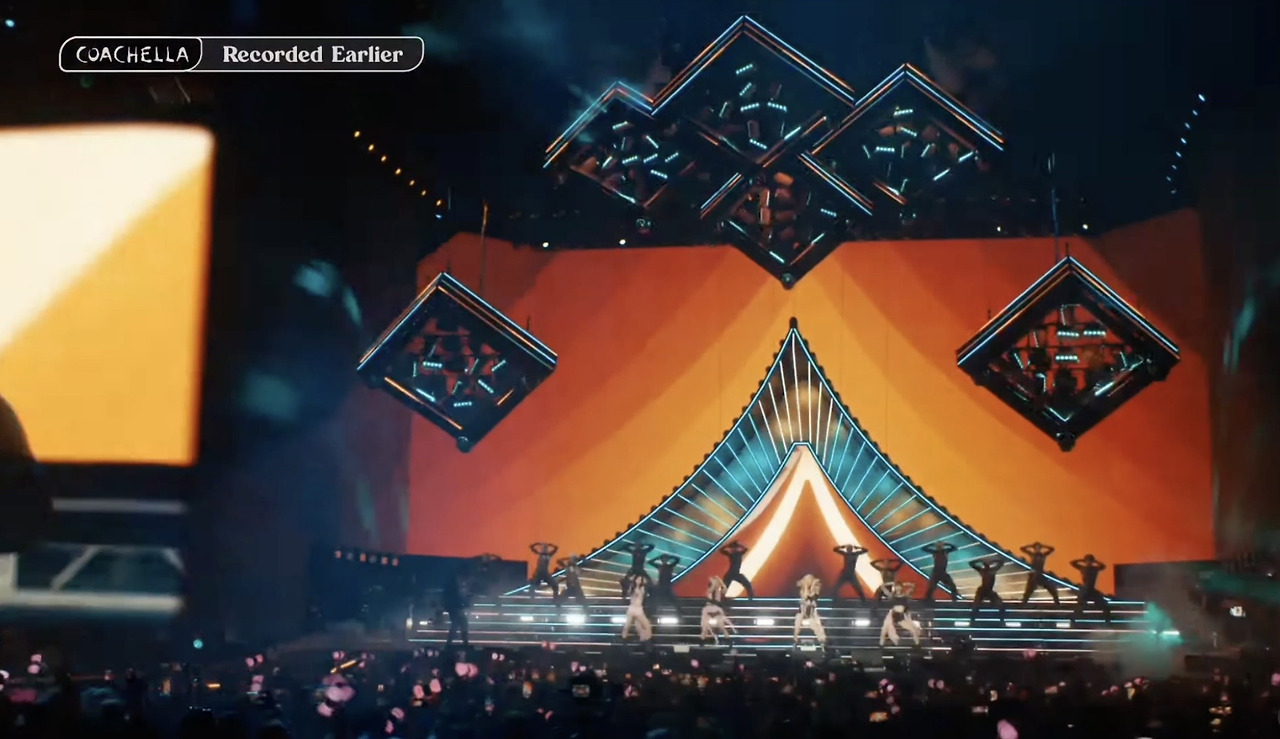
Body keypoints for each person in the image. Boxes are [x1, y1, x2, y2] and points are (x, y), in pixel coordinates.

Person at [879, 581, 923, 647]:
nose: (898, 588)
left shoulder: (905, 595)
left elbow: (913, 586)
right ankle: (881, 645)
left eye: (899, 587)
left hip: (901, 616)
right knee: (884, 630)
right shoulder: (892, 595)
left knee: (913, 630)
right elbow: (882, 586)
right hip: (893, 615)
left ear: (901, 587)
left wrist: (904, 584)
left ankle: (918, 645)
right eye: (897, 587)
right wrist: (892, 583)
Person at [1070, 553, 1111, 623]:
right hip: (1085, 590)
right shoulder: (1083, 568)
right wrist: (1082, 560)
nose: (1089, 562)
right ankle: (1073, 620)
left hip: (1091, 590)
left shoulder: (1095, 568)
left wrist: (1095, 561)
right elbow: (1072, 563)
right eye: (1088, 560)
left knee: (1104, 605)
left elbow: (1103, 566)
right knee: (1080, 606)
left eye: (1090, 561)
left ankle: (1107, 621)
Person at [793, 574, 826, 648]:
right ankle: (795, 641)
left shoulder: (816, 587)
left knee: (818, 625)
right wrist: (805, 587)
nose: (808, 581)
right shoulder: (803, 588)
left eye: (810, 579)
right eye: (806, 580)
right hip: (802, 611)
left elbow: (814, 596)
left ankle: (822, 642)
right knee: (797, 624)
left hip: (812, 612)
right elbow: (804, 596)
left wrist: (812, 586)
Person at [699, 575, 735, 644]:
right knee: (705, 628)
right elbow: (710, 592)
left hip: (717, 611)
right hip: (709, 611)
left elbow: (724, 589)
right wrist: (714, 582)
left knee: (722, 627)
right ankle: (701, 642)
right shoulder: (709, 591)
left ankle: (729, 641)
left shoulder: (719, 592)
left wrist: (720, 581)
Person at [621, 573, 653, 643]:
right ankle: (623, 642)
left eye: (640, 580)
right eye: (638, 579)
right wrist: (632, 578)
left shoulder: (643, 588)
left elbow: (649, 583)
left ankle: (646, 642)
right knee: (627, 626)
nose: (639, 581)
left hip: (638, 609)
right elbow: (623, 582)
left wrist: (643, 579)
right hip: (633, 608)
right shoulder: (632, 587)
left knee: (645, 626)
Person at [442, 570, 470, 649]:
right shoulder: (454, 585)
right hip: (455, 608)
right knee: (461, 624)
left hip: (454, 608)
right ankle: (464, 644)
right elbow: (458, 596)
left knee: (457, 625)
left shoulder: (453, 584)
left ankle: (450, 644)